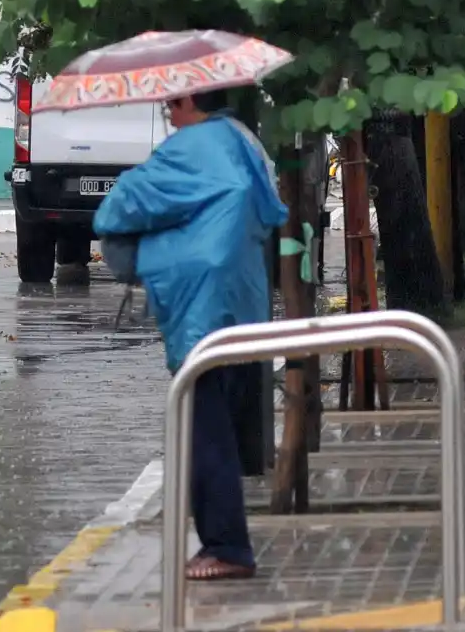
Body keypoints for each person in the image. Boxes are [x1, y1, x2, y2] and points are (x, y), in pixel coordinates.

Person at [92, 89, 288, 581]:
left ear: (186, 103)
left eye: (169, 108)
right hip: (243, 299)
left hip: (200, 304)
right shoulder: (243, 140)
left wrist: (150, 242)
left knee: (205, 432)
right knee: (216, 422)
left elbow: (117, 212)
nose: (169, 118)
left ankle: (227, 547)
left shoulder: (188, 148)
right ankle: (222, 541)